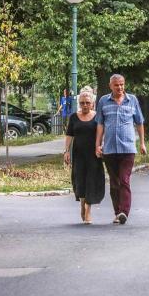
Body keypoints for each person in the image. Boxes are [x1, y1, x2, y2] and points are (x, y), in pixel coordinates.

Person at [95, 74, 146, 225]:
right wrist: (97, 145)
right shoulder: (104, 101)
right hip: (109, 149)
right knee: (114, 182)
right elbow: (100, 124)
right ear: (111, 86)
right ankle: (117, 212)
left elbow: (140, 122)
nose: (120, 88)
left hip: (128, 147)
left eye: (122, 84)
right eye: (117, 85)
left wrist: (142, 143)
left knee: (124, 180)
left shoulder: (132, 100)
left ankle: (124, 211)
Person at [64, 88, 105, 224]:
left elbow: (102, 133)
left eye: (87, 102)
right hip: (79, 154)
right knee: (80, 179)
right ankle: (82, 204)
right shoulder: (74, 117)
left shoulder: (98, 116)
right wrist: (66, 151)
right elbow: (69, 135)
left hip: (93, 154)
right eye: (82, 103)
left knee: (91, 180)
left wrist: (101, 146)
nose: (85, 105)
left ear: (92, 103)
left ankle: (88, 210)